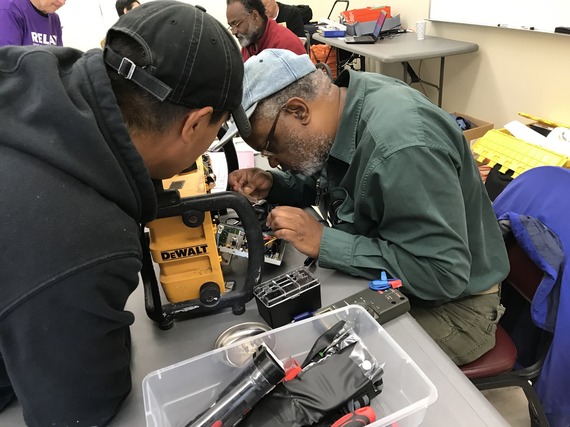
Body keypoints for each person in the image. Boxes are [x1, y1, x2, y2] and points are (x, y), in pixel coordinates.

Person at [0, 1, 247, 425]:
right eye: (217, 128)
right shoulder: (86, 238)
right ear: (195, 123)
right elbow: (77, 411)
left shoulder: (24, 69)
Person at [226, 49, 510, 366]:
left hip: (456, 309)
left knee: (326, 365)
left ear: (298, 110)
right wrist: (276, 183)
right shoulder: (343, 106)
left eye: (271, 147)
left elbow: (442, 274)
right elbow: (336, 185)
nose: (274, 159)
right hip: (401, 284)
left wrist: (325, 242)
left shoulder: (403, 146)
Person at [226, 0, 306, 61]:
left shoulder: (286, 45)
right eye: (231, 26)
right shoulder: (249, 41)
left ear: (255, 16)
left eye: (237, 24)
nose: (234, 32)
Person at [0, 0, 64, 46]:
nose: (62, 2)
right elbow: (7, 60)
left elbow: (60, 60)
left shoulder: (54, 18)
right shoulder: (9, 8)